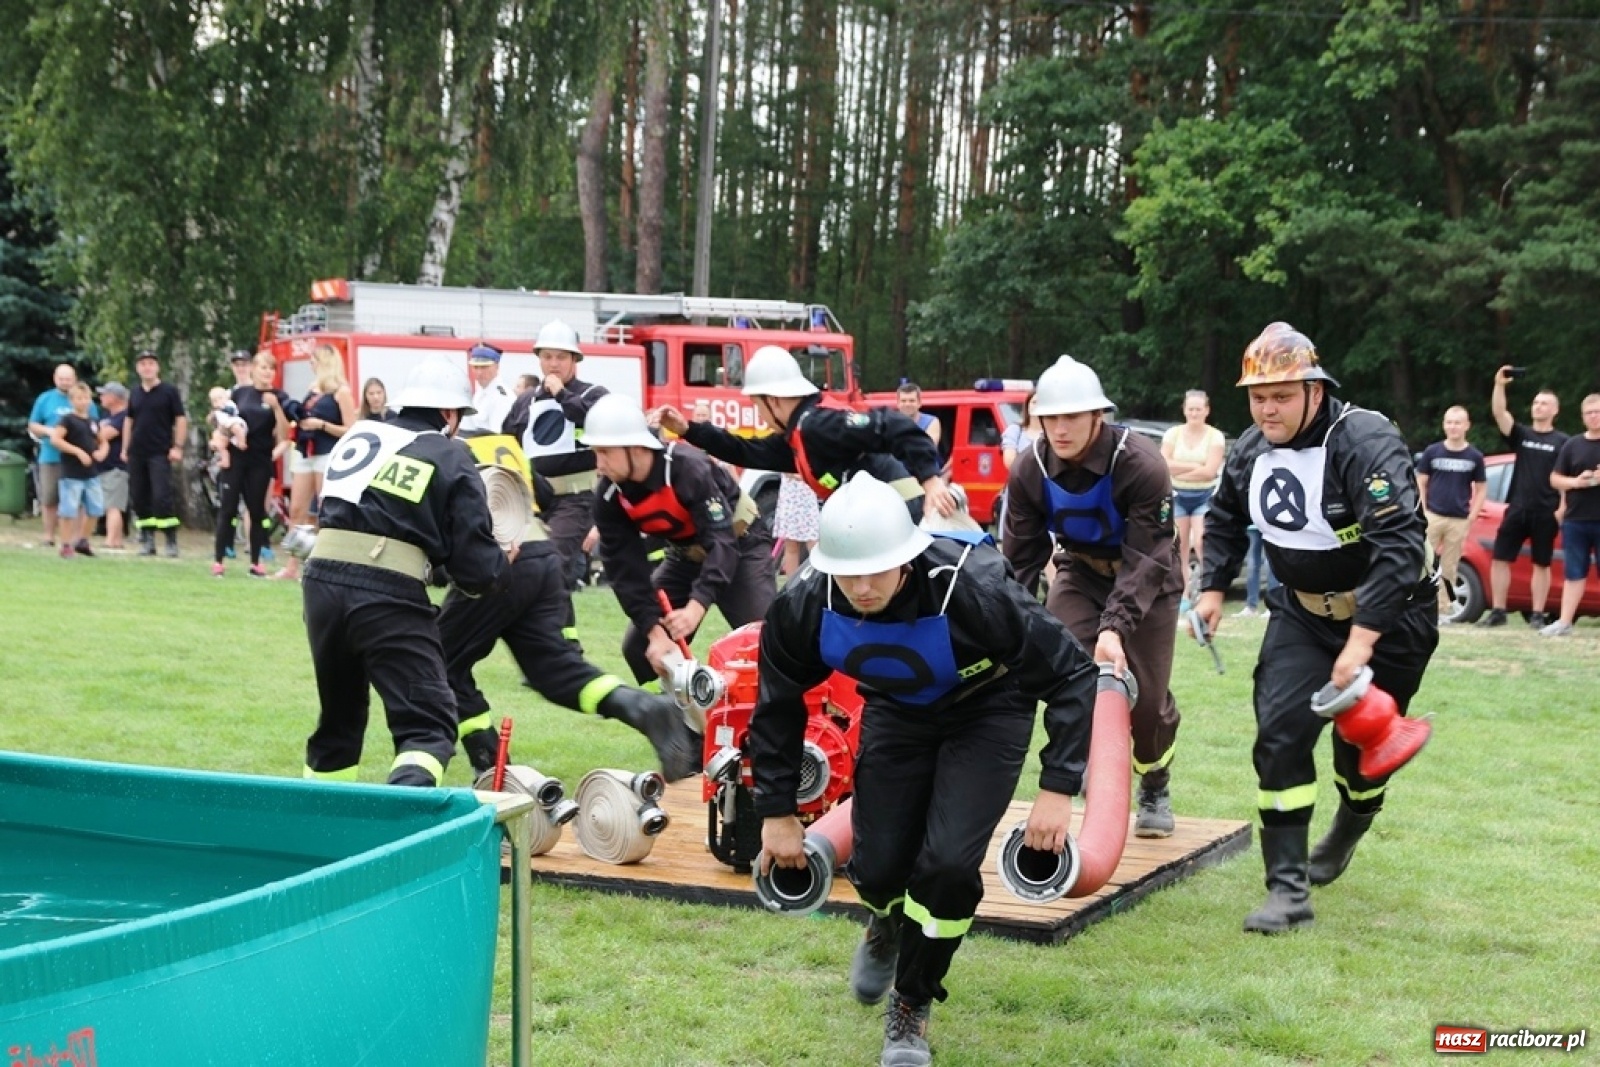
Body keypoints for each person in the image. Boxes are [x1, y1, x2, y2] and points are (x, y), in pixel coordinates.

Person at [751, 474, 1099, 1067]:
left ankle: (910, 1004)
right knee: (880, 866)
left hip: (988, 710)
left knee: (945, 868)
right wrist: (778, 813)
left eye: (876, 572)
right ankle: (885, 922)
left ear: (907, 559)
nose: (861, 587)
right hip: (897, 711)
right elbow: (776, 706)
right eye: (847, 573)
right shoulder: (803, 603)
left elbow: (1071, 676)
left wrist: (1058, 790)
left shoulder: (976, 588)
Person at [1194, 322, 1438, 934]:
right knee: (1279, 736)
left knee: (1362, 754)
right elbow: (1222, 517)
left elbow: (1400, 545)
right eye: (1257, 396)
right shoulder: (1250, 448)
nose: (1268, 409)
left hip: (1394, 617)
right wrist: (1214, 589)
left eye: (1281, 395)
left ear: (1315, 390)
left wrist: (1362, 641)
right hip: (1301, 614)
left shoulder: (1365, 440)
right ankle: (1287, 890)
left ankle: (1350, 825)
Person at [438, 435, 702, 783]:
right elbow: (544, 495)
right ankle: (646, 709)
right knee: (553, 671)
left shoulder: (439, 451)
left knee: (438, 661)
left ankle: (487, 763)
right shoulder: (499, 444)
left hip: (496, 555)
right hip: (539, 554)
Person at [300, 358, 508, 787]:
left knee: (339, 722)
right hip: (385, 593)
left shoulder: (359, 433)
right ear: (450, 415)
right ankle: (399, 837)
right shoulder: (451, 454)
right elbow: (476, 571)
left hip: (320, 584)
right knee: (427, 727)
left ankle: (318, 833)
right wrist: (502, 557)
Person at [1002, 355, 1184, 839]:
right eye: (1050, 418)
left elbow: (1147, 557)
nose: (1059, 429)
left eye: (1071, 417)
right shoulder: (1028, 469)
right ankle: (1076, 762)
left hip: (1150, 579)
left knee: (1142, 702)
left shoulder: (1141, 464)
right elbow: (1020, 561)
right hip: (1079, 573)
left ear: (1097, 416)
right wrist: (1002, 627)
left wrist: (1114, 627)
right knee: (1067, 670)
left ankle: (1155, 779)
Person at [586, 394, 776, 686]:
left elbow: (722, 541)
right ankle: (688, 718)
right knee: (639, 649)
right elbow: (625, 571)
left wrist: (696, 606)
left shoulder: (688, 468)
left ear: (636, 448)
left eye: (605, 453)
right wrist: (655, 633)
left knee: (767, 645)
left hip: (740, 546)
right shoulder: (609, 496)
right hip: (684, 557)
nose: (599, 465)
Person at [656, 345, 956, 523]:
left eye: (757, 405)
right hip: (869, 519)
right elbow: (744, 450)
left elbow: (893, 424)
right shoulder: (797, 437)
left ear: (773, 401)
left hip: (897, 513)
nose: (759, 415)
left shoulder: (818, 425)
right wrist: (688, 430)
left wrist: (930, 481)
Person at [503, 320, 610, 591]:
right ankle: (565, 632)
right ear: (538, 359)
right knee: (532, 567)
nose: (554, 364)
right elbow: (507, 442)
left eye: (561, 357)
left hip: (575, 499)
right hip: (532, 498)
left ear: (575, 359)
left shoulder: (592, 395)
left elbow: (594, 422)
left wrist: (562, 395)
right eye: (547, 356)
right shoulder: (525, 401)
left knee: (550, 564)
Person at [1485, 368, 1568, 627]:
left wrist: (1562, 509)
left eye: (1544, 404)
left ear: (1555, 410)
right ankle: (1498, 611)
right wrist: (1499, 385)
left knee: (1541, 563)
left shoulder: (1563, 442)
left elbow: (1565, 478)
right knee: (1500, 557)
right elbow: (1500, 414)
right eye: (1535, 403)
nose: (1538, 407)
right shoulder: (1522, 435)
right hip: (1518, 507)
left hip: (1547, 510)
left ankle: (1537, 614)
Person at [277, 344, 356, 580]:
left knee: (324, 510)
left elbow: (351, 428)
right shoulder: (313, 389)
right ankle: (291, 565)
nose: (310, 364)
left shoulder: (341, 392)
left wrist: (322, 425)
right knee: (297, 509)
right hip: (305, 450)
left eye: (314, 360)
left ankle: (321, 564)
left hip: (327, 452)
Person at [212, 354, 291, 578]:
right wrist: (222, 438)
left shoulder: (279, 396)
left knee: (257, 510)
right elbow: (225, 421)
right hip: (237, 457)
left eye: (271, 369)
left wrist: (277, 409)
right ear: (254, 370)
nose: (267, 373)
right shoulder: (240, 393)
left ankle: (256, 562)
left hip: (260, 459)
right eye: (263, 368)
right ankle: (219, 561)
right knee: (227, 508)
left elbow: (285, 434)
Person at [1416, 406, 1487, 623]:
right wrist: (1423, 510)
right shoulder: (1432, 452)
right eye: (1449, 422)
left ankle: (1443, 609)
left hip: (1459, 518)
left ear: (1467, 425)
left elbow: (1482, 487)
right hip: (1433, 516)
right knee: (1422, 561)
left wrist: (1472, 516)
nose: (1453, 427)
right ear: (1444, 425)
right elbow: (1420, 480)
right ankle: (1416, 606)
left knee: (1450, 565)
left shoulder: (1474, 456)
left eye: (1457, 422)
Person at [1540, 394, 1600, 636]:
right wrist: (1577, 481)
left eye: (1598, 412)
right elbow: (1554, 479)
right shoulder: (1572, 445)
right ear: (1582, 416)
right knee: (1574, 572)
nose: (1594, 416)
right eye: (1589, 413)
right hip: (1576, 519)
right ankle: (1564, 622)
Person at [1161, 390, 1227, 606]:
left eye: (1199, 409)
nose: (1194, 413)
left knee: (1201, 542)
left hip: (1204, 496)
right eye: (1191, 409)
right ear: (1184, 410)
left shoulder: (1215, 436)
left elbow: (1210, 471)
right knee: (1179, 547)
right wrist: (1194, 466)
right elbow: (1163, 464)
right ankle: (1183, 595)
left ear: (1206, 411)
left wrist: (1179, 470)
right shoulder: (1173, 434)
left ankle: (1209, 590)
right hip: (1177, 494)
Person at [122, 351, 188, 558]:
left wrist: (177, 446)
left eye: (151, 363)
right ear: (138, 368)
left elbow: (180, 419)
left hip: (160, 452)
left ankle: (170, 540)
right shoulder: (134, 393)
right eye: (143, 364)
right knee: (140, 497)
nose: (147, 367)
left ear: (157, 367)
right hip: (137, 452)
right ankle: (148, 539)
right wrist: (125, 448)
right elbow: (129, 421)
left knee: (161, 496)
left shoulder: (169, 391)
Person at [48, 383, 105, 559]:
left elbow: (103, 441)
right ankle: (66, 545)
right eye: (79, 398)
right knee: (68, 510)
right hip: (71, 474)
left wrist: (102, 451)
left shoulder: (94, 421)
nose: (83, 402)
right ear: (72, 401)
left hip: (91, 473)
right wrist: (78, 452)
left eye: (86, 398)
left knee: (96, 509)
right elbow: (56, 440)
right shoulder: (67, 420)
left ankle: (83, 541)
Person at [26, 363, 80, 547]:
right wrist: (48, 431)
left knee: (75, 499)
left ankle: (73, 538)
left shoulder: (81, 398)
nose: (65, 382)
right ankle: (48, 536)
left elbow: (93, 423)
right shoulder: (45, 399)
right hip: (50, 456)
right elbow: (33, 425)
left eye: (68, 379)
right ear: (55, 379)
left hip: (75, 458)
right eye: (61, 378)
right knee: (49, 498)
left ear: (75, 380)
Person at [94, 382, 130, 552]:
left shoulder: (124, 417)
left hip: (116, 466)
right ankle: (116, 540)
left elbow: (104, 435)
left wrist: (95, 433)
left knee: (113, 505)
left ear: (115, 398)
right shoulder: (106, 416)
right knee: (109, 504)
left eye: (104, 394)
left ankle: (111, 540)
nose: (101, 397)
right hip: (104, 466)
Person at [458, 343, 514, 435]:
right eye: (475, 367)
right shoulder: (480, 392)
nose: (479, 372)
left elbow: (497, 436)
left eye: (484, 367)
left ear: (496, 366)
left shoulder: (501, 397)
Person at [773, 474, 820, 578]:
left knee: (814, 543)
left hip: (807, 497)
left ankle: (819, 580)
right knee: (791, 546)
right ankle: (791, 585)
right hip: (791, 497)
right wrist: (804, 476)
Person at [1236, 524, 1277, 617]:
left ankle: (1251, 606)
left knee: (1253, 561)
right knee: (1270, 561)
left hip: (1253, 523)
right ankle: (1272, 606)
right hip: (1269, 523)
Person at [206, 387, 249, 470]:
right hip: (224, 427)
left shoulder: (229, 404)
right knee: (218, 441)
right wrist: (211, 417)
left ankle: (241, 442)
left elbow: (232, 411)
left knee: (236, 428)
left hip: (233, 421)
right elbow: (212, 420)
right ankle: (225, 460)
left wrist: (222, 408)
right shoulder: (216, 410)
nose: (218, 401)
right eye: (215, 400)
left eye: (220, 398)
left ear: (226, 397)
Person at [896, 381, 941, 448]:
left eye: (912, 401)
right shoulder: (889, 422)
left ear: (919, 403)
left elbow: (927, 449)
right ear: (898, 404)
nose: (907, 404)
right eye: (903, 401)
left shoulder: (931, 422)